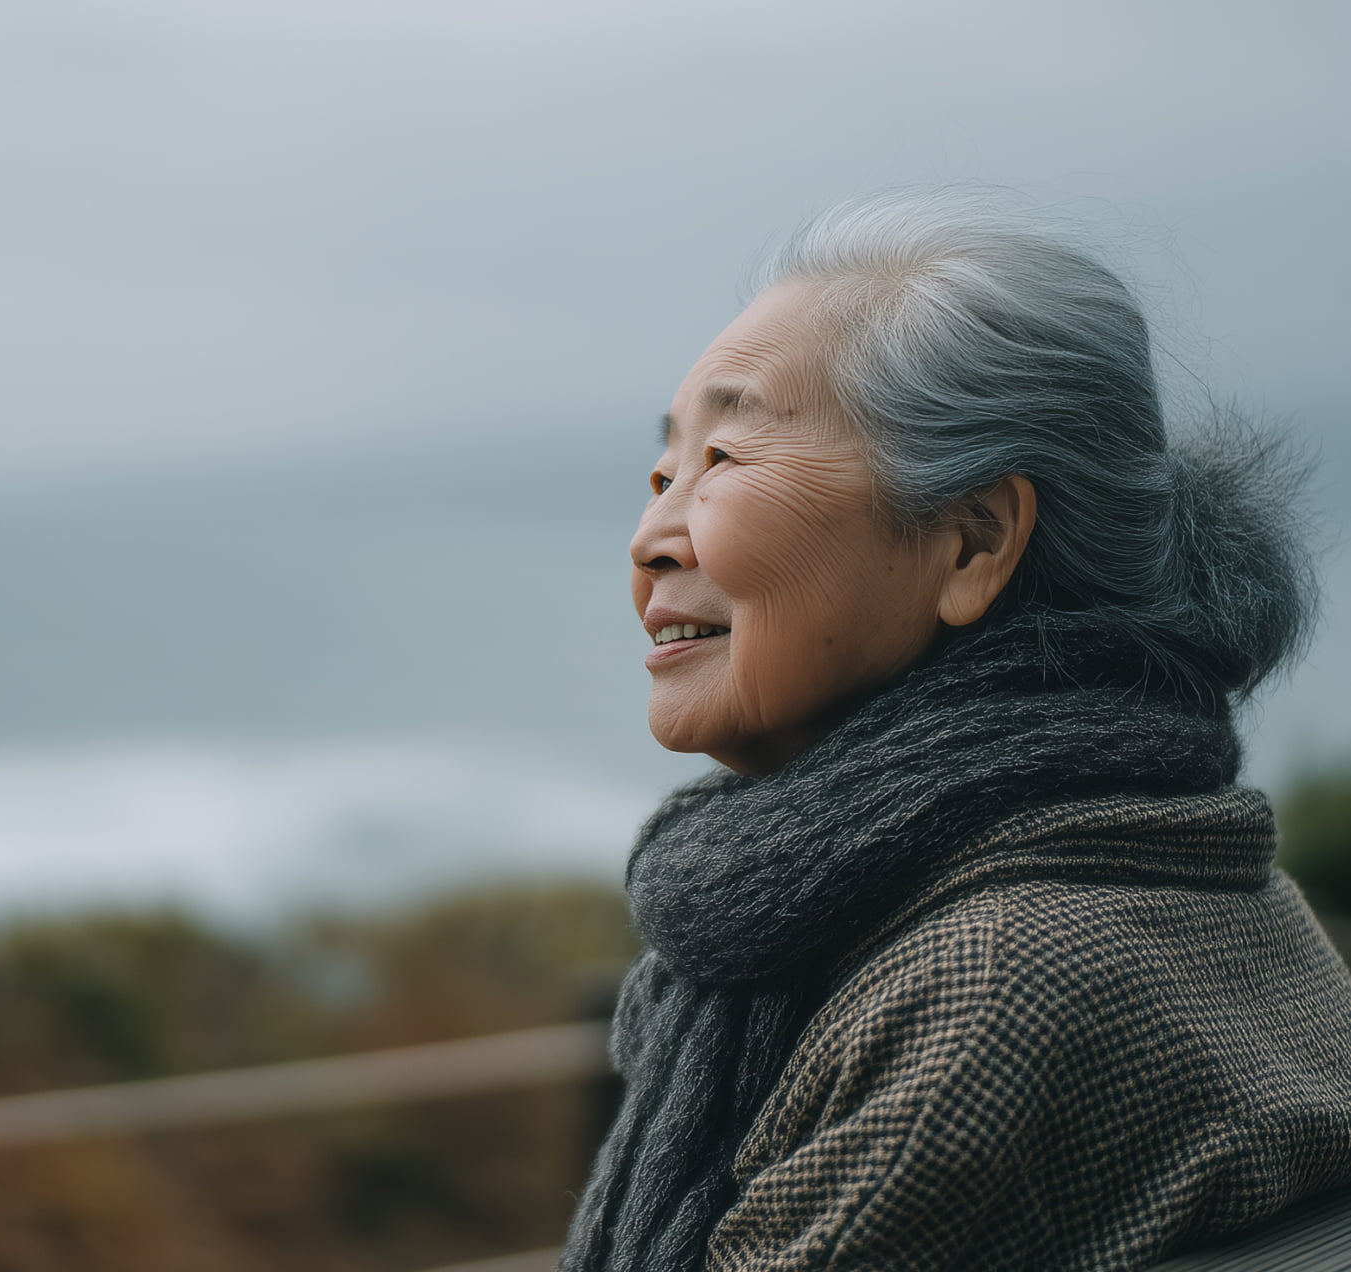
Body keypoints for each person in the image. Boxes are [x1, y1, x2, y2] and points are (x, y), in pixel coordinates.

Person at [559, 189, 1351, 1271]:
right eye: (664, 473)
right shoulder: (1198, 872)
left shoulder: (983, 991)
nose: (652, 535)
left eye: (726, 462)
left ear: (975, 540)